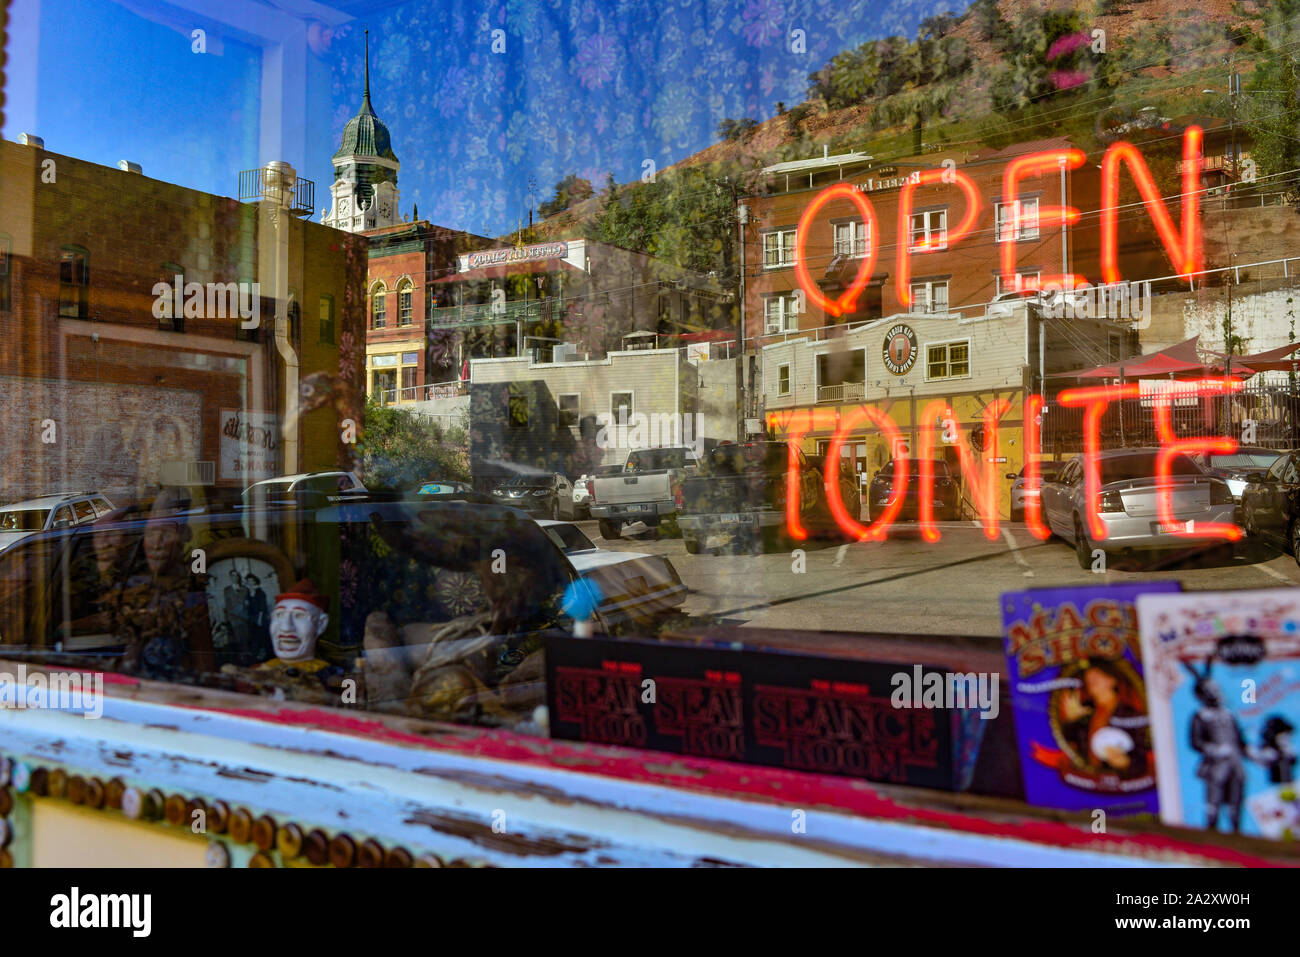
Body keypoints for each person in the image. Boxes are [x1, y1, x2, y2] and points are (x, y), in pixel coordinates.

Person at [117, 488, 215, 679]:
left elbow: (204, 661)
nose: (156, 543)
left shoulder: (196, 563)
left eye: (166, 534)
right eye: (151, 533)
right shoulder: (137, 583)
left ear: (184, 536)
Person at [243, 572, 271, 664]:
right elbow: (248, 605)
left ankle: (265, 655)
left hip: (260, 618)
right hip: (252, 618)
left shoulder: (260, 592)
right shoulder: (248, 592)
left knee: (262, 637)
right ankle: (256, 656)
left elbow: (262, 608)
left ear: (255, 581)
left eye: (252, 580)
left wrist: (259, 620)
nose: (250, 582)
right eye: (248, 581)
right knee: (254, 637)